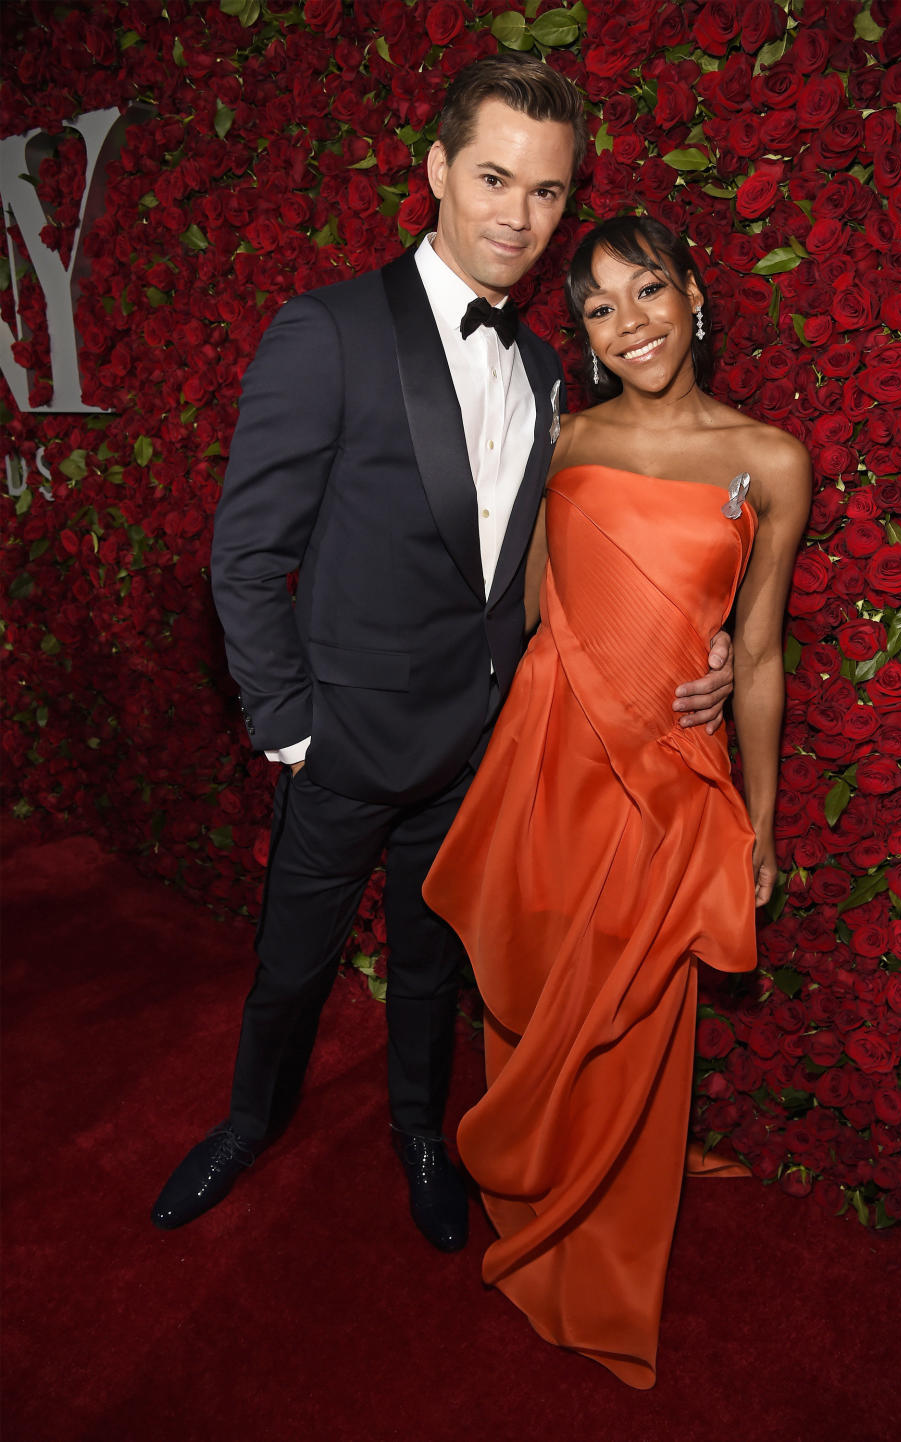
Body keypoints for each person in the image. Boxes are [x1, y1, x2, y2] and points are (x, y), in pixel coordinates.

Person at [151, 63, 735, 1251]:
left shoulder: (541, 370)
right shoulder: (327, 328)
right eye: (493, 177)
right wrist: (292, 727)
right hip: (341, 744)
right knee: (293, 963)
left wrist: (699, 633)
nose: (519, 215)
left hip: (475, 744)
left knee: (431, 967)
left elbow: (564, 559)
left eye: (548, 191)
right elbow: (245, 553)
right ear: (434, 171)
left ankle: (420, 1129)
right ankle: (248, 1120)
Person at [424, 214, 811, 1378]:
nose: (630, 322)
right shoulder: (566, 435)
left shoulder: (771, 458)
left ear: (692, 293)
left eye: (647, 292)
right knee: (544, 995)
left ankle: (604, 1239)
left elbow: (760, 652)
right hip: (554, 756)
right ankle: (530, 1170)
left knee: (638, 1011)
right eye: (600, 307)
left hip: (668, 779)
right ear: (582, 333)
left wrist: (762, 814)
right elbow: (536, 607)